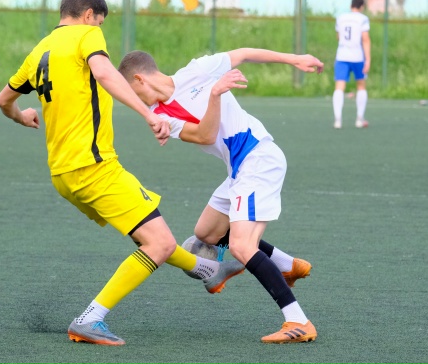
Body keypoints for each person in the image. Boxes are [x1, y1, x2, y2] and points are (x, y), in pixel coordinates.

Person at [0, 0, 244, 347]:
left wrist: (22, 116)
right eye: (99, 22)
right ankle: (89, 319)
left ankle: (208, 269)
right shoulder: (87, 35)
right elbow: (105, 74)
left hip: (63, 174)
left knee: (150, 236)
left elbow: (3, 100)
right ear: (88, 15)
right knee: (159, 243)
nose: (100, 30)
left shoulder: (39, 51)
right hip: (93, 167)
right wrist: (148, 114)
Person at [118, 48, 324, 343]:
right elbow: (206, 135)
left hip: (257, 158)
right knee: (207, 233)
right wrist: (215, 95)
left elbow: (244, 53)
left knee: (241, 246)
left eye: (132, 93)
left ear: (139, 79)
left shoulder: (197, 70)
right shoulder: (160, 115)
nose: (134, 102)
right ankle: (287, 264)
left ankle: (298, 321)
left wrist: (294, 59)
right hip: (239, 169)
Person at [333, 0, 371, 129]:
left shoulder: (341, 17)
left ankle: (338, 120)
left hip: (342, 55)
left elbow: (338, 36)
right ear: (362, 7)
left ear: (351, 6)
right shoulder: (363, 18)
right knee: (361, 85)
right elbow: (365, 39)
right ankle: (359, 119)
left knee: (339, 86)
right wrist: (368, 59)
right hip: (357, 56)